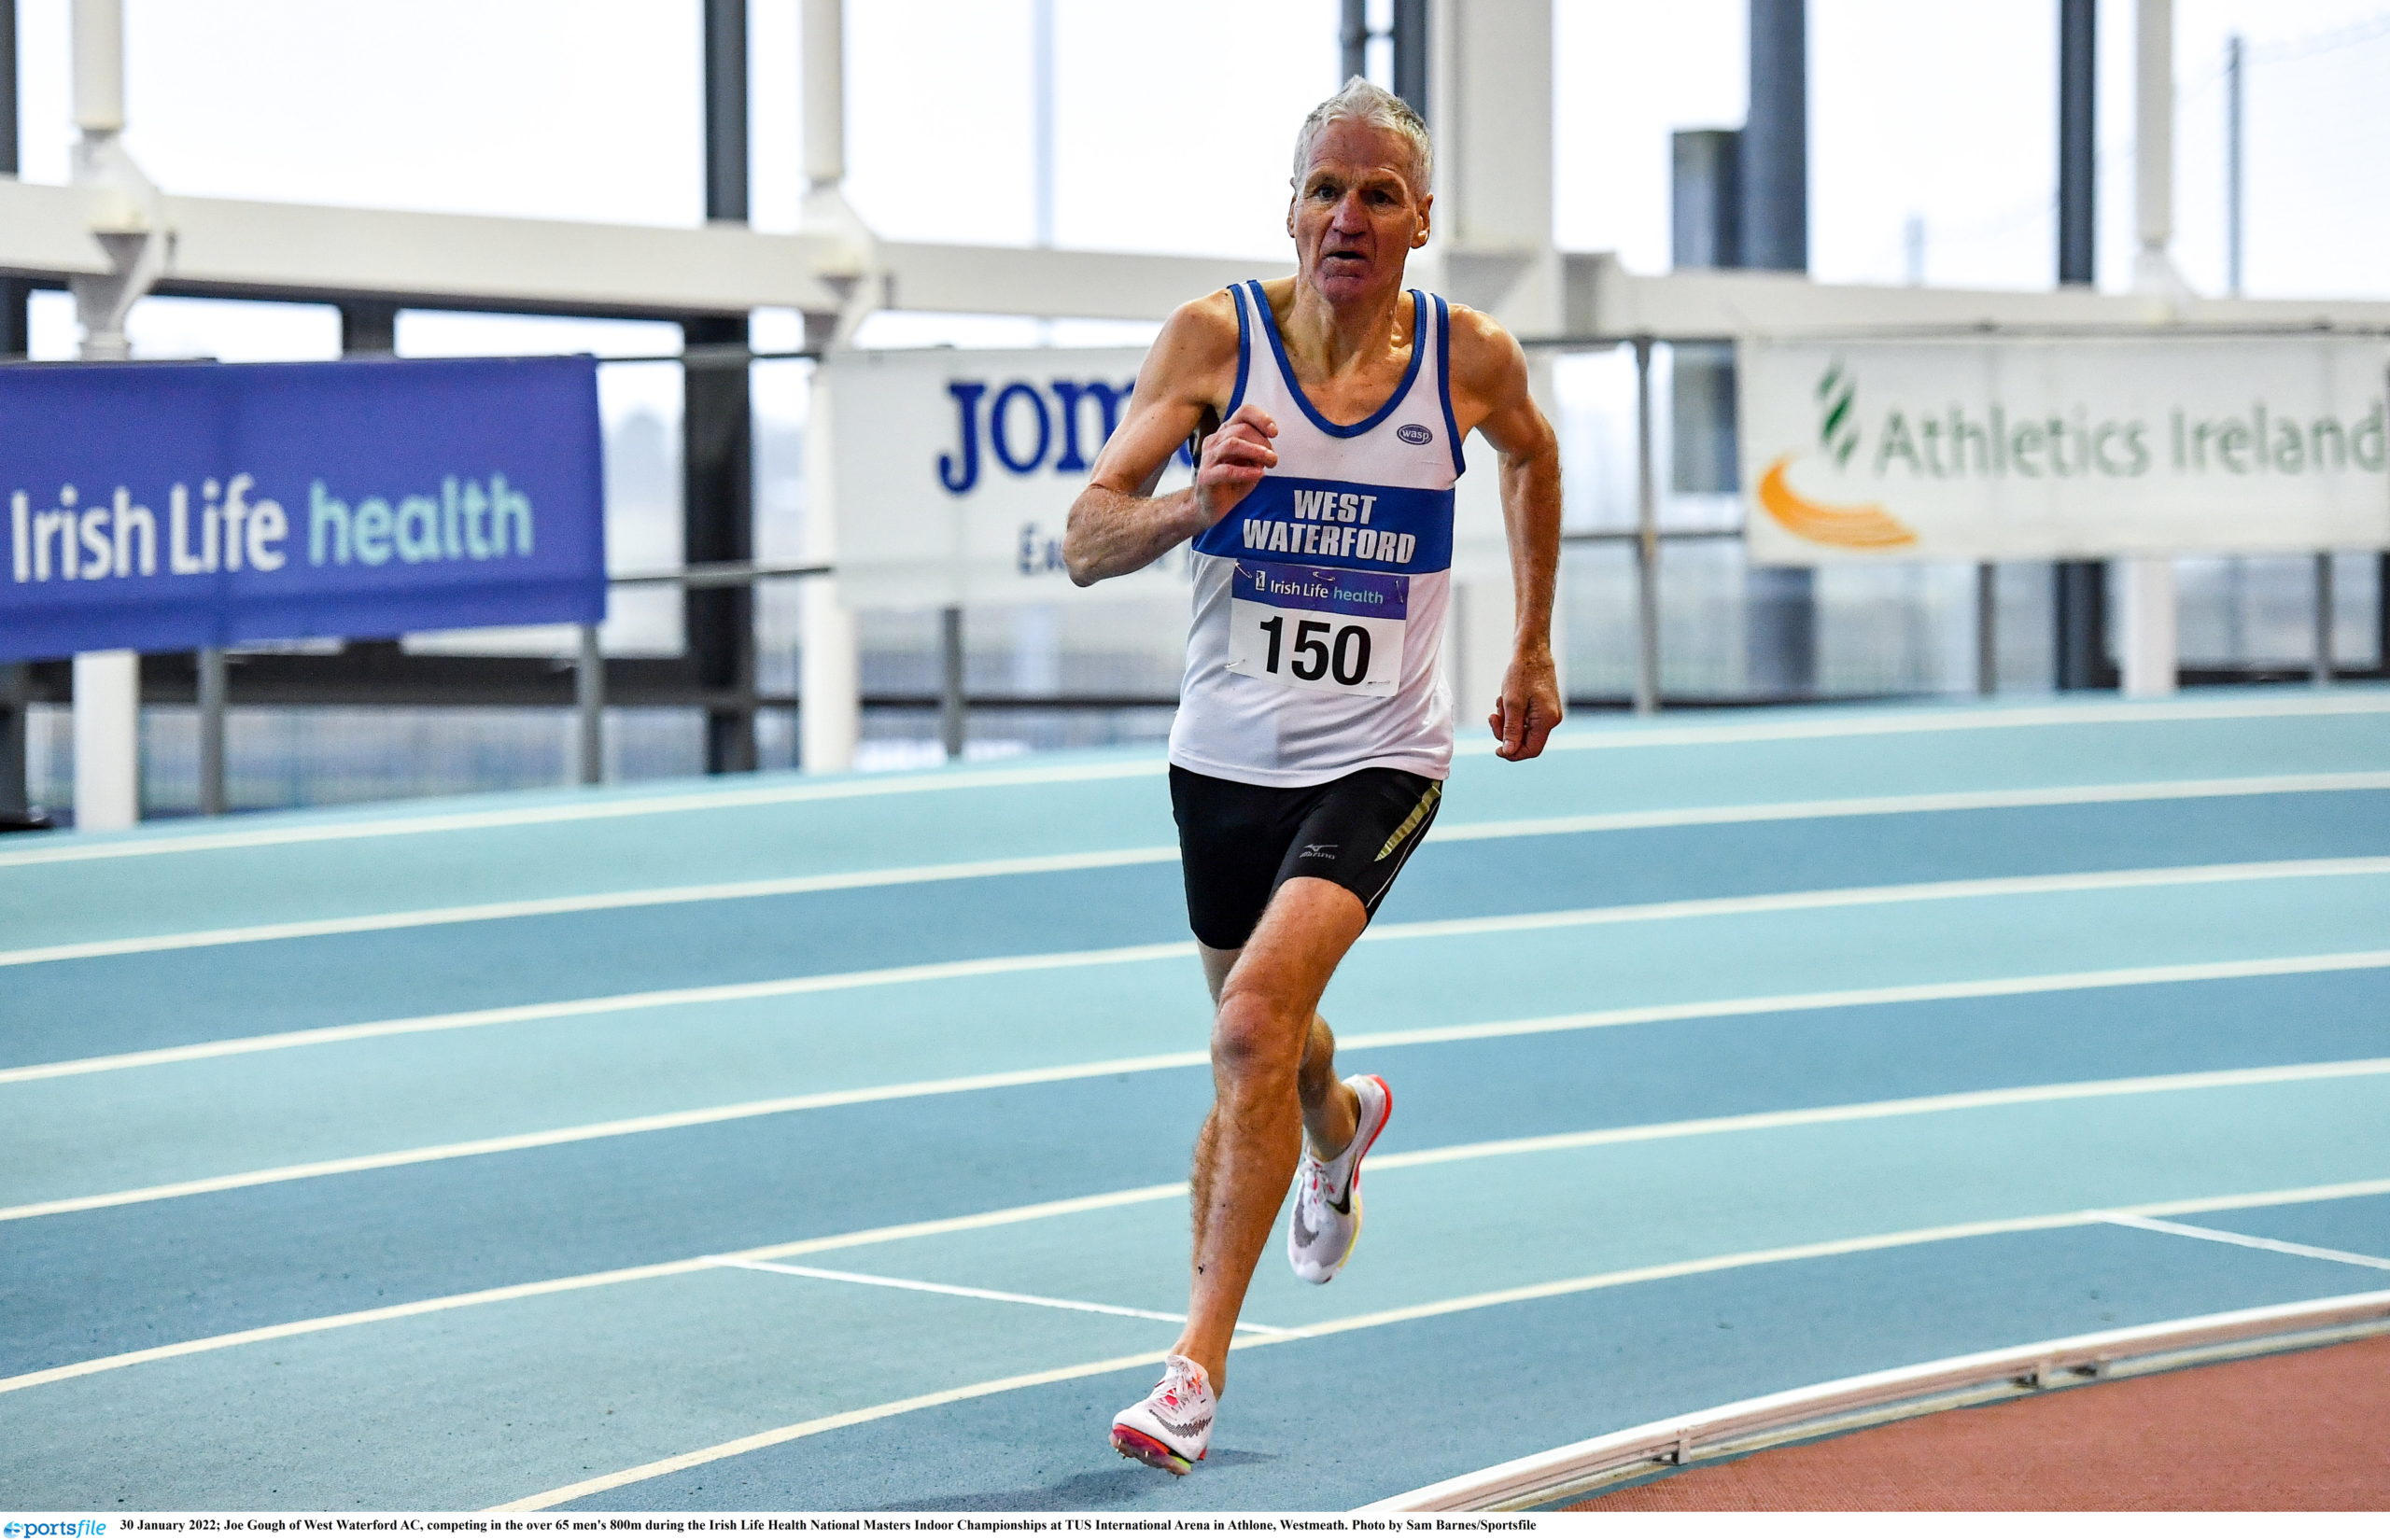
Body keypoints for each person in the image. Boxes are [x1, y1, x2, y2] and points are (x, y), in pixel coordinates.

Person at [1061, 76, 1562, 1476]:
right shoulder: (1214, 341)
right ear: (1290, 213)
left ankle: (1193, 1370)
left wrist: (1531, 643)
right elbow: (1087, 539)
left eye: (1377, 194)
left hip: (1381, 756)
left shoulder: (1469, 360)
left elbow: (1532, 459)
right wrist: (1197, 502)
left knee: (1246, 1031)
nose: (1349, 216)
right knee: (1276, 1039)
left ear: (1420, 221)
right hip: (1224, 762)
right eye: (1326, 191)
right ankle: (1338, 1130)